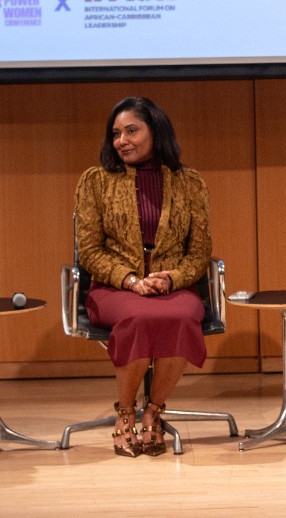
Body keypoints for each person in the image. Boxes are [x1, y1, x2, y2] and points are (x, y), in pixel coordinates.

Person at [76, 96, 213, 457]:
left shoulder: (189, 183)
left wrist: (172, 279)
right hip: (114, 286)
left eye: (132, 131)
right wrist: (131, 280)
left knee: (183, 316)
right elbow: (89, 251)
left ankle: (153, 410)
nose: (123, 140)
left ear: (156, 131)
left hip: (172, 283)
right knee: (138, 316)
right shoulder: (96, 181)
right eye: (116, 133)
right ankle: (125, 413)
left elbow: (199, 252)